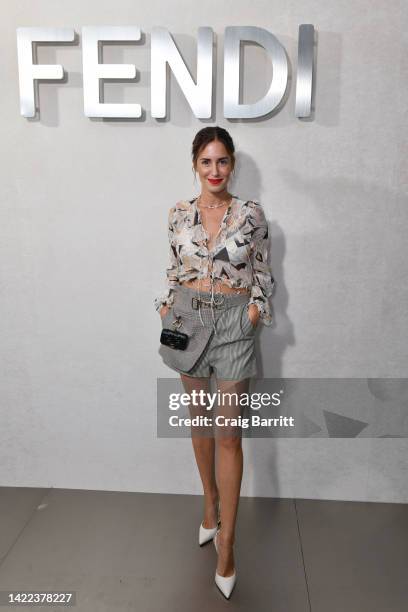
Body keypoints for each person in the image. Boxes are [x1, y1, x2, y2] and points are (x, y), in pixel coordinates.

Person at [154, 126, 275, 599]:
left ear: (232, 164)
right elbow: (171, 269)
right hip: (186, 318)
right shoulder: (178, 214)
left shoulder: (250, 215)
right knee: (199, 421)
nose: (215, 170)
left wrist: (253, 309)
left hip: (232, 324)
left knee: (229, 431)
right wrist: (164, 306)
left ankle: (228, 541)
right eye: (206, 162)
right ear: (195, 165)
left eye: (222, 161)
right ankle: (209, 502)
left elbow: (263, 272)